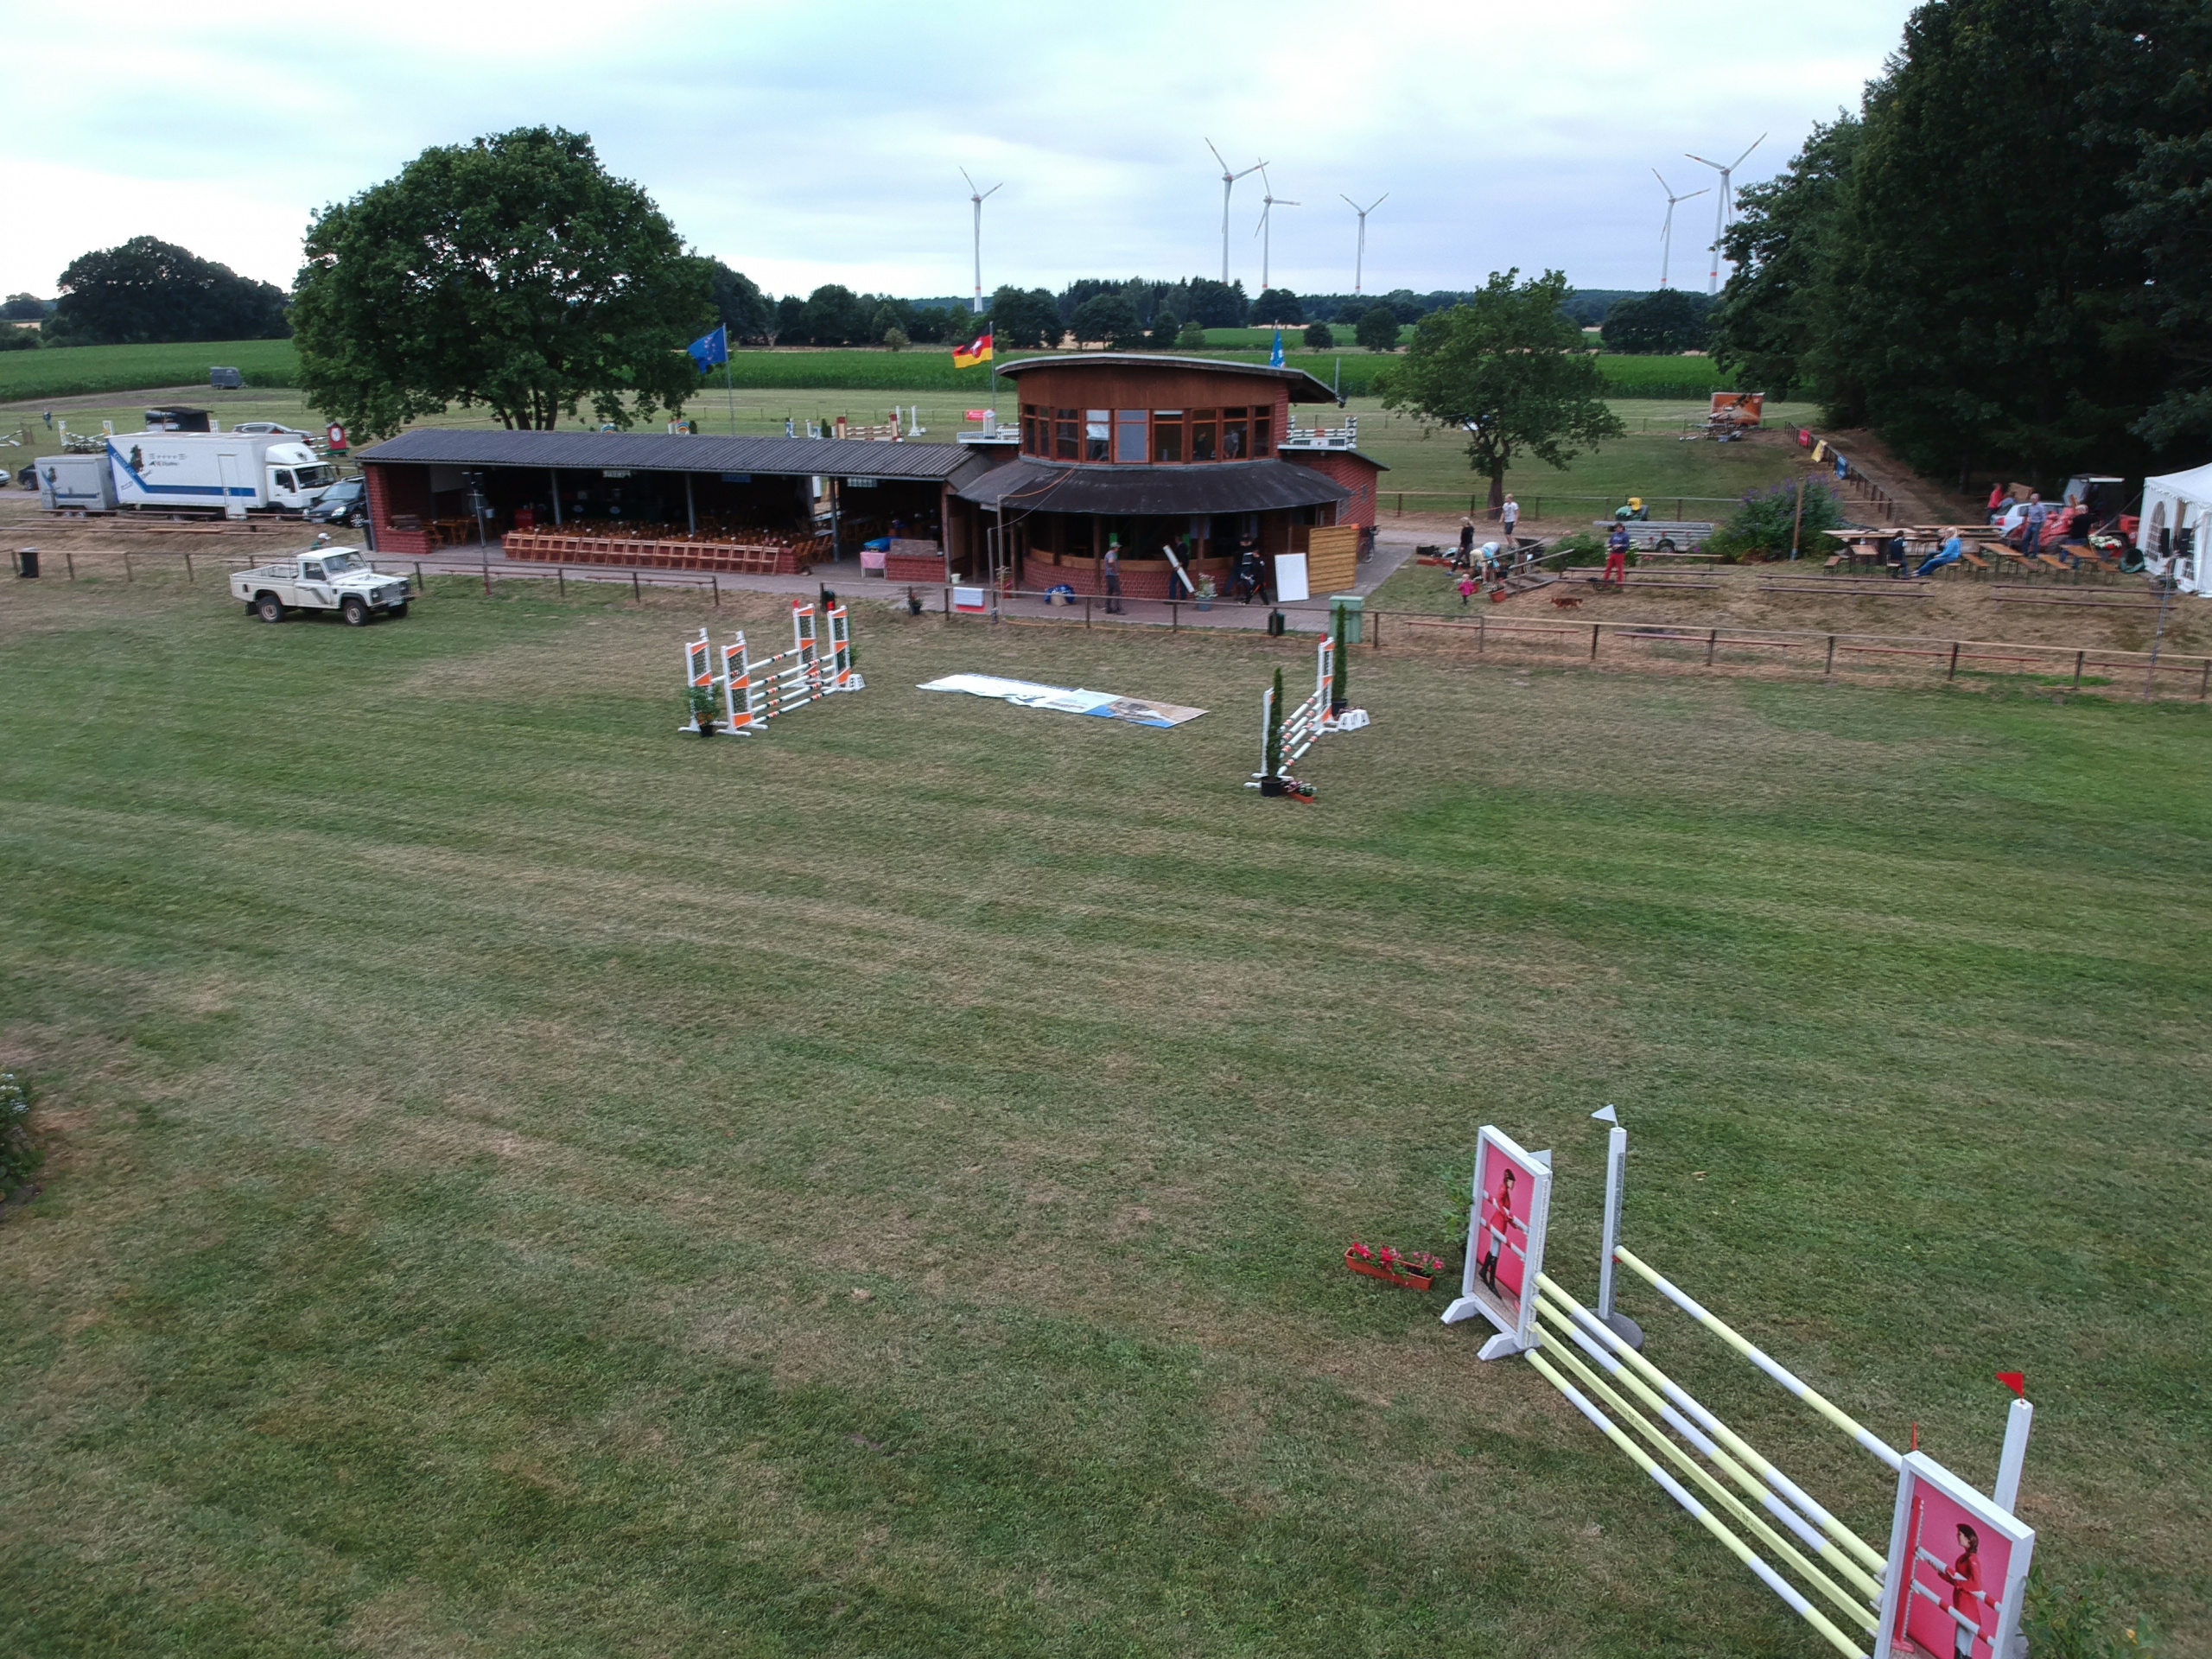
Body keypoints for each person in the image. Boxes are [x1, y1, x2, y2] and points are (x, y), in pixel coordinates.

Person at [1935, 1522, 1982, 1659]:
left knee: (1962, 1646)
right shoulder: (1963, 1558)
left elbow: (1976, 1584)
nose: (1957, 1536)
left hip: (1968, 1610)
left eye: (1960, 1534)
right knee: (1962, 1646)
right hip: (1961, 1605)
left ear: (1968, 1539)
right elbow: (1957, 1580)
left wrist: (1959, 1584)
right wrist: (1943, 1574)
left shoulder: (1972, 1560)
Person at [1478, 1167, 1517, 1295]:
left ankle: (1484, 1271)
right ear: (1508, 1180)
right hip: (1499, 1224)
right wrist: (1507, 1218)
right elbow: (1500, 1204)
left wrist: (1513, 1224)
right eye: (1512, 1182)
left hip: (1499, 1223)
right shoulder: (1503, 1190)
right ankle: (1491, 1281)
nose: (1513, 1185)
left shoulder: (1503, 1189)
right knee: (1496, 1251)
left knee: (1493, 1248)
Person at [1604, 521, 1631, 587]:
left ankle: (1619, 583)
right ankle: (1605, 582)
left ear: (1621, 528)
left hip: (1620, 554)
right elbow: (1610, 542)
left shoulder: (1625, 535)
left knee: (1619, 569)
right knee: (1608, 568)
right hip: (1613, 553)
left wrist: (1620, 545)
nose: (1617, 530)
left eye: (1618, 528)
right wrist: (1609, 545)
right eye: (1616, 528)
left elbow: (1627, 545)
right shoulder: (1614, 534)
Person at [2020, 492, 2048, 556]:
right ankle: (2025, 552)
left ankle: (2035, 554)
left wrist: (2041, 526)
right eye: (2031, 499)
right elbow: (2029, 515)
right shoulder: (2031, 506)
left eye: (2033, 499)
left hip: (2037, 524)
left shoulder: (2040, 506)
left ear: (2037, 499)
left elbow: (2043, 517)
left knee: (2035, 540)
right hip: (2031, 523)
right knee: (2026, 538)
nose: (2032, 500)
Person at [1102, 537, 1122, 613]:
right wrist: (1114, 569)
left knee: (1110, 591)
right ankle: (1117, 608)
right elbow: (1111, 562)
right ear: (1115, 548)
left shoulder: (1109, 554)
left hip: (1109, 575)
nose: (1118, 549)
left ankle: (1108, 608)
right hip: (1111, 575)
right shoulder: (1111, 554)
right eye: (1117, 547)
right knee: (1117, 591)